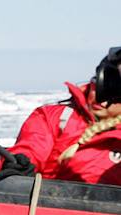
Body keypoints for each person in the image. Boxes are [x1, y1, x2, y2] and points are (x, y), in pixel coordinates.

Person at [10, 48, 121, 185]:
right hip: (50, 197)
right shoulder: (55, 117)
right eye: (98, 88)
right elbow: (31, 146)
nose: (102, 101)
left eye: (115, 97)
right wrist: (20, 163)